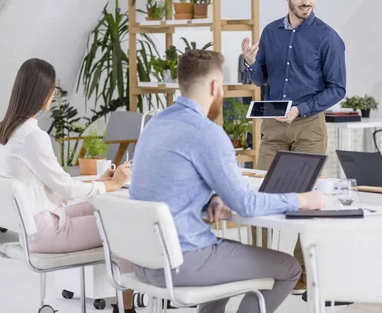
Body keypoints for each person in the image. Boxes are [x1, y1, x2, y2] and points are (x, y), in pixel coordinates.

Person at [129, 50, 325, 313]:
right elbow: (246, 204)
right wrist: (302, 199)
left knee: (227, 257)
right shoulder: (206, 132)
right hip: (182, 261)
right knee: (289, 268)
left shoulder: (156, 124)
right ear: (214, 86)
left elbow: (167, 184)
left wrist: (209, 200)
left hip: (145, 259)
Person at [0, 58, 137, 313]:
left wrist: (99, 182)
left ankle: (124, 305)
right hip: (46, 231)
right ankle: (126, 309)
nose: (54, 94)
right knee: (123, 227)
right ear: (41, 93)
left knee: (100, 209)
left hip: (34, 224)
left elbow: (55, 182)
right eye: (53, 89)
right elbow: (66, 190)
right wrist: (112, 186)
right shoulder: (33, 137)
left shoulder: (7, 131)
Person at [241, 0, 346, 290]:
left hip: (308, 128)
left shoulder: (327, 37)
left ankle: (302, 271)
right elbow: (260, 79)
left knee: (306, 200)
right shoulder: (271, 32)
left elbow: (338, 88)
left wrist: (302, 108)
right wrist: (248, 62)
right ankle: (260, 265)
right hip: (273, 128)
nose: (307, 2)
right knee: (260, 196)